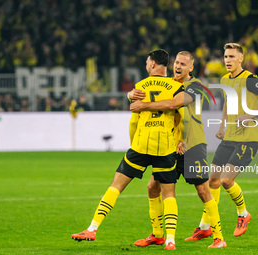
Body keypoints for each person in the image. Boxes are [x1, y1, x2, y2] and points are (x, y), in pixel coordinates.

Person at [71, 49, 184, 251]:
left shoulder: (140, 87)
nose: (146, 65)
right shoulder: (176, 87)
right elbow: (181, 118)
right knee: (168, 194)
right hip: (166, 145)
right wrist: (180, 140)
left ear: (152, 64)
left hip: (141, 144)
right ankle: (170, 240)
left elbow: (134, 121)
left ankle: (92, 228)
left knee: (116, 185)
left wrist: (133, 142)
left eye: (147, 62)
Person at [129, 51, 226, 248]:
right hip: (169, 146)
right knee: (152, 187)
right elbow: (143, 93)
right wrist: (130, 94)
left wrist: (144, 105)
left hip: (193, 144)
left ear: (191, 68)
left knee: (202, 190)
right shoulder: (169, 84)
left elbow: (174, 104)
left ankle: (218, 238)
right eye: (176, 63)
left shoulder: (196, 87)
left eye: (183, 64)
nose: (178, 66)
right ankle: (157, 234)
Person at [191, 43, 258, 239]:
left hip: (248, 139)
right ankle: (205, 226)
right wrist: (222, 126)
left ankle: (243, 214)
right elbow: (227, 104)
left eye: (231, 56)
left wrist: (250, 115)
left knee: (226, 180)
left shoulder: (250, 80)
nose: (227, 60)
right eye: (225, 56)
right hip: (229, 137)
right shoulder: (224, 79)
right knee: (212, 180)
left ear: (241, 59)